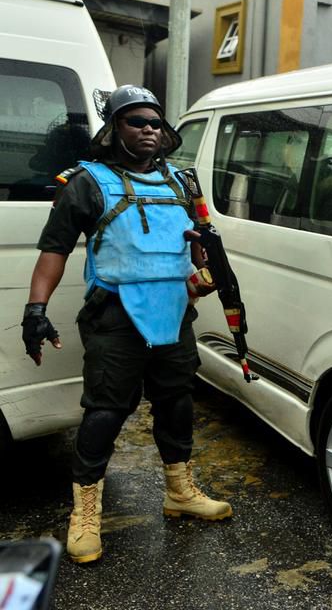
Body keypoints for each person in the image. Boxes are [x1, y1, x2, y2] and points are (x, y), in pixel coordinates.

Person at [20, 85, 231, 565]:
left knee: (176, 404)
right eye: (136, 122)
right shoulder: (86, 182)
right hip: (113, 316)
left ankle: (179, 491)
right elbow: (53, 249)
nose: (149, 130)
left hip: (173, 313)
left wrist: (203, 267)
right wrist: (36, 310)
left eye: (155, 122)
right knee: (105, 413)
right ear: (113, 129)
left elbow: (193, 244)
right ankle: (86, 513)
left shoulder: (181, 182)